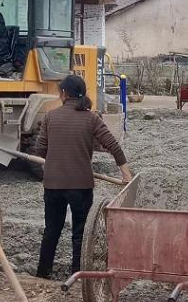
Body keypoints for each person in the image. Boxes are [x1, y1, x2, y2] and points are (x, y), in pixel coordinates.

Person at [34, 74, 132, 280]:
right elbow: (113, 145)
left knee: (52, 230)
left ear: (64, 93)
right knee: (80, 233)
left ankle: (43, 273)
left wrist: (56, 156)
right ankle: (77, 276)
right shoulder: (91, 118)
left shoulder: (51, 117)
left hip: (53, 184)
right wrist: (126, 173)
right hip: (81, 186)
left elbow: (40, 150)